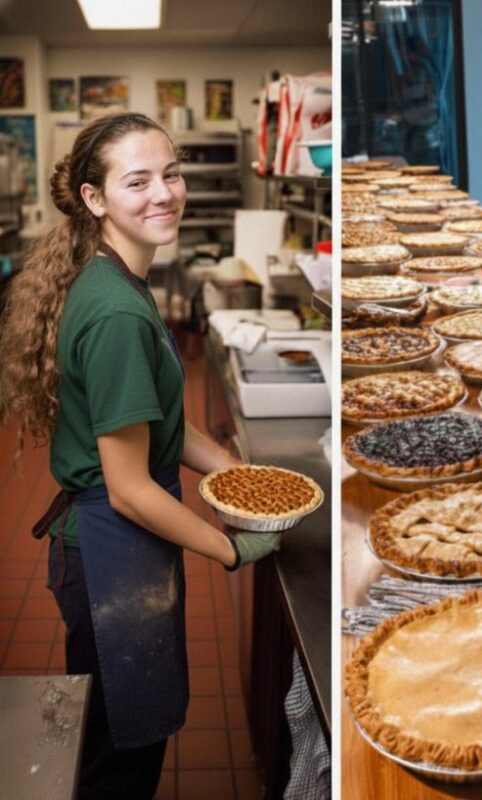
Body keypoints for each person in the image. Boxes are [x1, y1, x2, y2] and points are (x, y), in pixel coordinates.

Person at [0, 112, 280, 799]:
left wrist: (240, 476)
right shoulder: (119, 313)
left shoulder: (114, 277)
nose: (165, 193)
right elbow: (128, 488)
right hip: (108, 550)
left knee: (118, 733)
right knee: (121, 756)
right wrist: (229, 548)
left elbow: (162, 427)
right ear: (94, 198)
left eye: (172, 173)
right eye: (138, 181)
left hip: (110, 543)